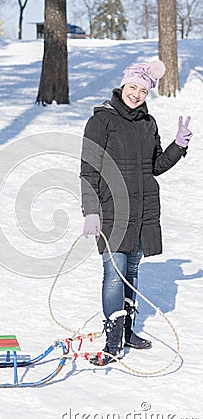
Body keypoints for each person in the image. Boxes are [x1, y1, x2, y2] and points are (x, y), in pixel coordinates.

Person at [80, 60, 192, 366]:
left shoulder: (148, 123)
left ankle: (127, 332)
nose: (136, 94)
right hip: (112, 210)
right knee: (114, 276)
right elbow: (88, 170)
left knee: (130, 273)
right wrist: (91, 211)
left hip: (142, 211)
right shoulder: (101, 121)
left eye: (143, 90)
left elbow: (155, 166)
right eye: (133, 87)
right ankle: (112, 342)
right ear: (123, 86)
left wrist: (177, 146)